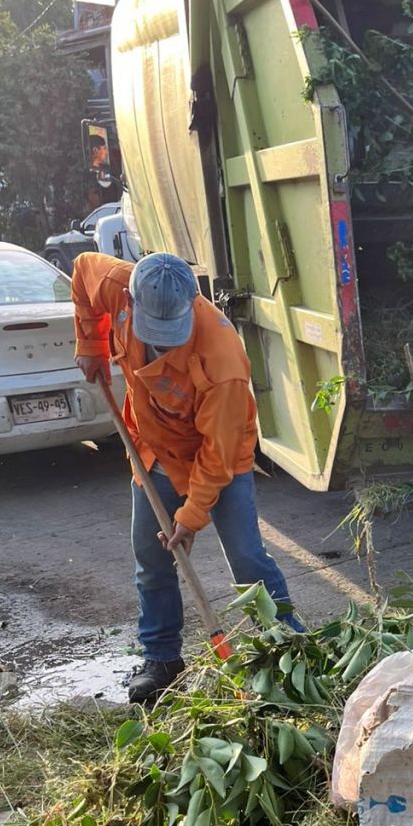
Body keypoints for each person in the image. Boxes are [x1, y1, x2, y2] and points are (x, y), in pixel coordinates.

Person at [72, 251, 300, 703]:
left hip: (219, 455)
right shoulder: (116, 283)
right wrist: (92, 346)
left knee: (247, 560)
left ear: (192, 304)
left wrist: (191, 517)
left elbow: (216, 454)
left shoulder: (222, 356)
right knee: (150, 558)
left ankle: (289, 651)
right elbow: (81, 275)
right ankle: (161, 659)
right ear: (131, 301)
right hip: (155, 446)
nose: (163, 344)